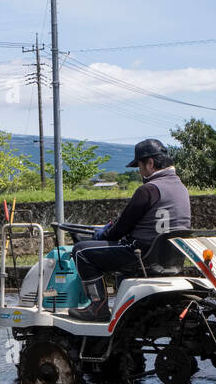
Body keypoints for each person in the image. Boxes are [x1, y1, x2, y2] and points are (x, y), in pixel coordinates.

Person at [68, 138, 191, 322]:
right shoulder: (181, 188)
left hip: (141, 254)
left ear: (150, 163)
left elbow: (119, 229)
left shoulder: (148, 190)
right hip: (169, 258)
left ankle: (97, 307)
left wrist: (101, 234)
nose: (140, 172)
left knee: (81, 251)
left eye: (139, 166)